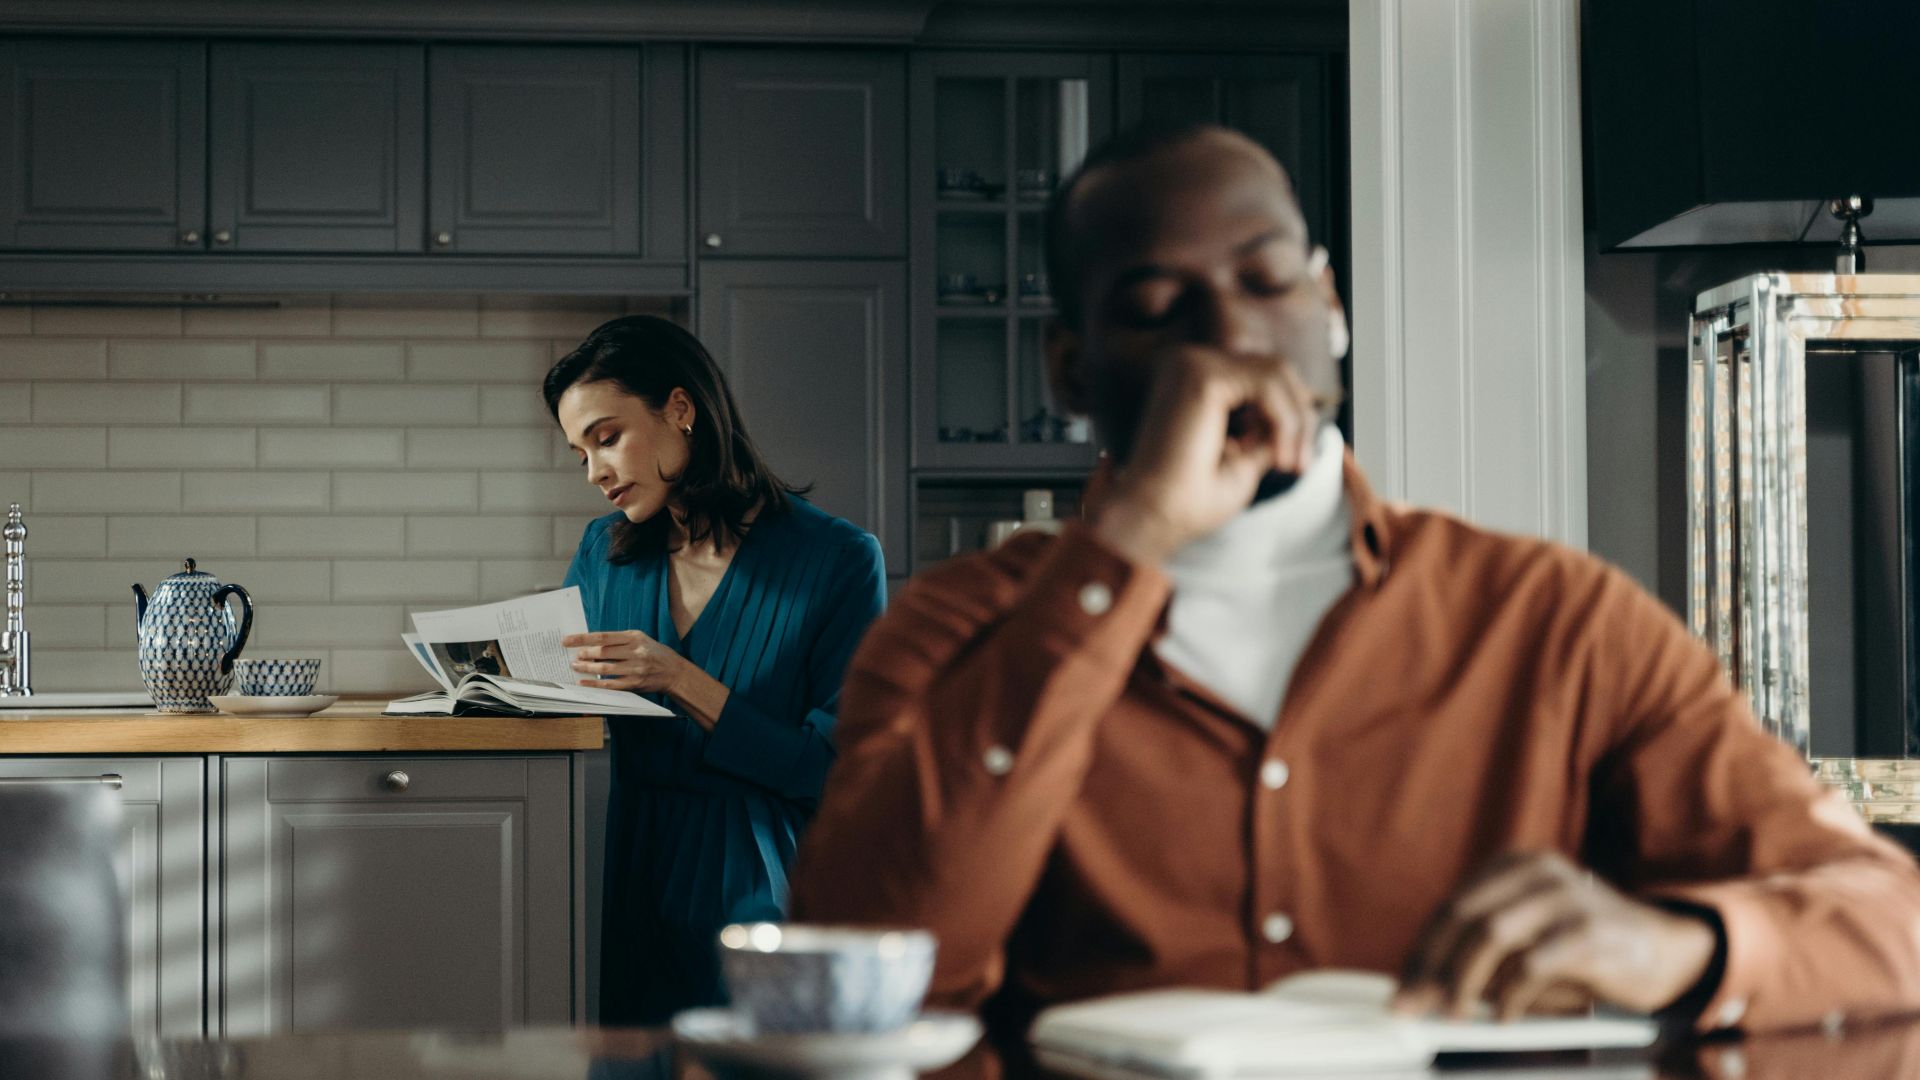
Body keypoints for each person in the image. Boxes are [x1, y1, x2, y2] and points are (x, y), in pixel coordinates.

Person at [787, 125, 1920, 1036]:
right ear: (1073, 368)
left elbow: (1890, 919)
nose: (1229, 330)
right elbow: (858, 968)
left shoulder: (1555, 620)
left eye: (1265, 279)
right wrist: (1124, 544)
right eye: (1153, 307)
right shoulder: (953, 627)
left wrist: (1677, 945)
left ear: (1329, 307)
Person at [544, 315, 886, 1025]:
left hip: (763, 887)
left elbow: (835, 770)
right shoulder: (603, 551)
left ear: (680, 408)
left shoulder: (839, 560)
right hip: (629, 868)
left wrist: (680, 678)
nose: (595, 472)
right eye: (579, 453)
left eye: (607, 438)